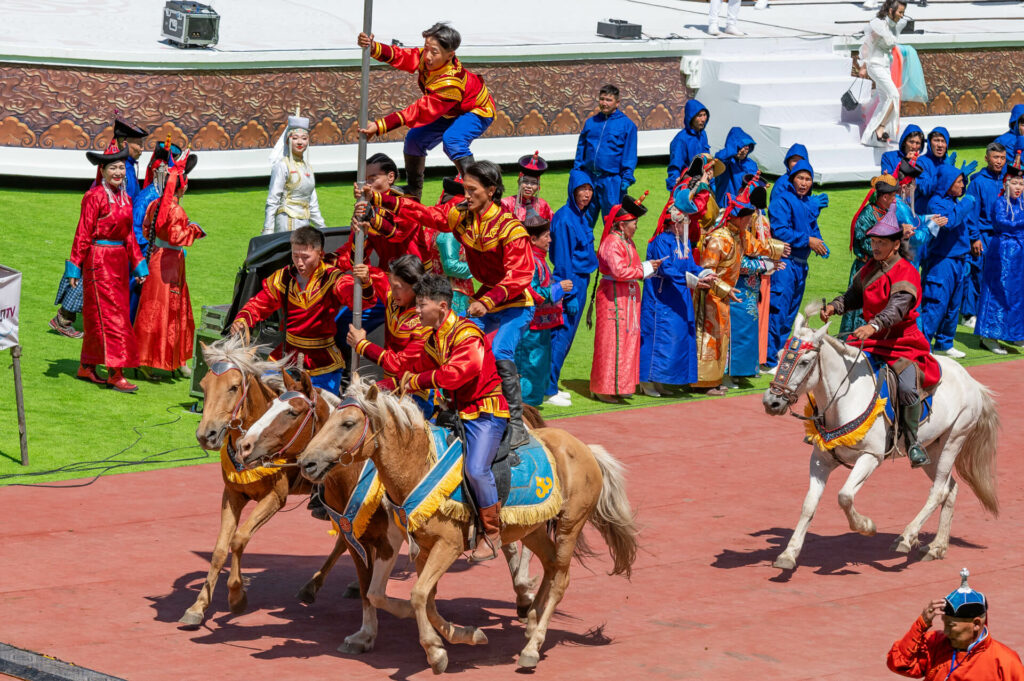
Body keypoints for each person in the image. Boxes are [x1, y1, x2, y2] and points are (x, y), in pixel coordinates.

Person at [361, 160, 534, 447]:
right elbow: (427, 214)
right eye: (465, 189)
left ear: (491, 191)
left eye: (472, 190)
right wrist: (379, 198)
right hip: (484, 298)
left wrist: (488, 300)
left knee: (500, 349)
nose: (465, 195)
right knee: (449, 342)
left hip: (514, 301)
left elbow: (521, 274)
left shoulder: (509, 228)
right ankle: (455, 408)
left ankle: (515, 424)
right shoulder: (462, 215)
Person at [399, 273, 509, 562]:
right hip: (459, 412)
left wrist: (417, 381)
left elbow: (459, 373)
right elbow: (413, 369)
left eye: (422, 304)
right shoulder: (436, 339)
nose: (417, 310)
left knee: (475, 469)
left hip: (486, 412)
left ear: (443, 306)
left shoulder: (467, 333)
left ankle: (492, 532)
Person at [821, 205, 940, 467]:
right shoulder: (869, 268)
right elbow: (854, 295)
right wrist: (834, 306)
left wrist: (873, 326)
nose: (874, 247)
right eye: (873, 241)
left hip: (902, 343)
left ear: (896, 244)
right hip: (872, 339)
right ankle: (829, 426)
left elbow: (897, 309)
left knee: (908, 388)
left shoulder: (907, 271)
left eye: (881, 242)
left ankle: (912, 442)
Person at [230, 227, 376, 395]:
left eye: (305, 257)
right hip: (286, 356)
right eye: (295, 256)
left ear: (320, 254)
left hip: (323, 361)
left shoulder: (333, 278)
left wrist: (364, 283)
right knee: (261, 396)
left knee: (321, 410)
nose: (299, 263)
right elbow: (260, 303)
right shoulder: (283, 277)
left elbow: (361, 303)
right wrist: (243, 319)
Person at [357, 23, 496, 198]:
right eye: (426, 48)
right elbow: (404, 56)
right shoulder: (428, 57)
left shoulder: (450, 83)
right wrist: (374, 47)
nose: (427, 56)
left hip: (477, 110)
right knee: (414, 139)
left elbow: (419, 111)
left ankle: (475, 189)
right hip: (448, 109)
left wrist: (380, 125)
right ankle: (414, 190)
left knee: (453, 139)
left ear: (450, 55)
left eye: (434, 52)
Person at [50, 116, 149, 339]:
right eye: (138, 144)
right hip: (100, 242)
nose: (141, 149)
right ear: (124, 143)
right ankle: (64, 319)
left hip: (113, 242)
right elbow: (84, 231)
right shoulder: (101, 189)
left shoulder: (125, 170)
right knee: (87, 283)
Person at [64, 146, 149, 393]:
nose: (119, 172)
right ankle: (116, 372)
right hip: (98, 261)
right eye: (113, 167)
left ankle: (87, 366)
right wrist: (74, 268)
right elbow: (82, 232)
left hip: (119, 263)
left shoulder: (126, 198)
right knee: (114, 318)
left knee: (97, 318)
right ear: (103, 170)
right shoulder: (94, 197)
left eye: (122, 167)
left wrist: (139, 266)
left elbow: (130, 236)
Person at [695, 180, 785, 394]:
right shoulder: (718, 240)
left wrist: (778, 248)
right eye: (747, 218)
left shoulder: (740, 235)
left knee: (722, 337)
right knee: (709, 338)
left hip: (725, 295)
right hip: (710, 296)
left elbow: (758, 246)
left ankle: (714, 381)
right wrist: (725, 289)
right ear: (738, 218)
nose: (749, 221)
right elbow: (707, 273)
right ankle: (703, 382)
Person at [638, 185, 717, 396]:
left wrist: (705, 273)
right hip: (661, 298)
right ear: (675, 221)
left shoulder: (682, 243)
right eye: (685, 220)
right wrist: (692, 280)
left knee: (675, 339)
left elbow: (690, 265)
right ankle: (646, 380)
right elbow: (667, 269)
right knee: (658, 338)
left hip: (678, 297)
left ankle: (661, 380)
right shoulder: (661, 242)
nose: (687, 224)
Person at [133, 151, 203, 377]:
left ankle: (160, 358)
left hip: (156, 256)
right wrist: (195, 230)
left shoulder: (155, 204)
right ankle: (155, 359)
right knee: (167, 311)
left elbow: (146, 228)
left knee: (152, 309)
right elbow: (177, 237)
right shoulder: (176, 209)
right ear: (182, 187)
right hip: (170, 263)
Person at [887, 569, 1024, 679]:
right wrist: (921, 624)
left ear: (976, 624)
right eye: (944, 624)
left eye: (951, 626)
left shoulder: (1005, 661)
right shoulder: (936, 642)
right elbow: (899, 664)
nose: (945, 632)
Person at [588, 194, 661, 402]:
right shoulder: (612, 243)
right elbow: (619, 272)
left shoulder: (626, 241)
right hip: (613, 299)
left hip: (625, 299)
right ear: (621, 225)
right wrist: (645, 268)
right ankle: (603, 387)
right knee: (611, 343)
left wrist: (646, 268)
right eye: (633, 222)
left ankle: (618, 385)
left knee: (625, 342)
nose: (636, 226)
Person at [348, 254, 434, 416]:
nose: (392, 292)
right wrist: (367, 275)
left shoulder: (425, 322)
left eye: (398, 287)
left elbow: (399, 364)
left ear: (416, 287)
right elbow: (380, 279)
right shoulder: (394, 298)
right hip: (389, 387)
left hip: (415, 393)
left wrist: (362, 345)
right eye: (391, 286)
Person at [766, 160, 829, 368]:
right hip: (785, 263)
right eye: (800, 178)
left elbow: (813, 227)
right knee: (778, 310)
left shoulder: (806, 203)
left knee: (791, 312)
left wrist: (820, 243)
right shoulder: (782, 201)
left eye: (808, 179)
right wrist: (808, 241)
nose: (804, 183)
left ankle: (780, 354)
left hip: (801, 265)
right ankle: (768, 357)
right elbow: (781, 230)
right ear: (791, 179)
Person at [546, 171, 599, 407]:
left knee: (567, 336)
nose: (586, 194)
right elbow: (563, 259)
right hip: (571, 280)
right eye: (582, 189)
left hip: (581, 278)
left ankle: (552, 383)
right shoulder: (565, 218)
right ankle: (548, 387)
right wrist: (570, 294)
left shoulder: (581, 216)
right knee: (561, 335)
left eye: (589, 189)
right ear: (573, 190)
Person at [731, 181, 787, 381]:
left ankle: (756, 361)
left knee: (756, 319)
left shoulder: (755, 219)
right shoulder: (754, 221)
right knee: (752, 320)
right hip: (752, 275)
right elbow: (757, 247)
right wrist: (772, 258)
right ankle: (757, 360)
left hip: (759, 272)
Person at [920, 165, 979, 359]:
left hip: (960, 260)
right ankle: (923, 344)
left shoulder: (955, 202)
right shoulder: (936, 203)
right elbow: (950, 222)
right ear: (947, 184)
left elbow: (960, 222)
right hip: (942, 262)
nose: (963, 186)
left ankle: (945, 342)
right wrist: (967, 201)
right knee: (936, 303)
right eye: (959, 182)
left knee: (954, 305)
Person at [515, 218, 570, 406]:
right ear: (532, 239)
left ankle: (531, 406)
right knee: (528, 367)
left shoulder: (539, 259)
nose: (550, 240)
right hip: (529, 326)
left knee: (539, 367)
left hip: (540, 325)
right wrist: (558, 289)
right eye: (546, 236)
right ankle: (523, 408)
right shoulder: (530, 261)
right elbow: (531, 291)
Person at [841, 174, 900, 335]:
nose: (895, 200)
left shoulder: (886, 212)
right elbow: (868, 244)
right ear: (885, 197)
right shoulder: (867, 215)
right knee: (860, 308)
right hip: (866, 270)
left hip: (881, 268)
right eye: (894, 196)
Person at [975, 162, 1024, 353]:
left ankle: (1015, 333)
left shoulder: (1022, 202)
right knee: (998, 291)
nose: (1018, 188)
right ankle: (989, 335)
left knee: (1018, 294)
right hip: (1002, 252)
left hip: (1020, 254)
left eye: (1021, 184)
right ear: (1006, 184)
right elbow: (1003, 223)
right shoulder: (1000, 203)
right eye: (1015, 183)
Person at [573, 84, 638, 220]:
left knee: (612, 221)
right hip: (589, 178)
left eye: (608, 100)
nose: (604, 103)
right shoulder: (591, 122)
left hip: (612, 181)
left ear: (617, 103)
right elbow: (581, 149)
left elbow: (629, 155)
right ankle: (584, 242)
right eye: (602, 99)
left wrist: (626, 178)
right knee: (583, 220)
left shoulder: (627, 125)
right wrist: (577, 172)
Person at [962, 143, 1007, 332]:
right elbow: (971, 213)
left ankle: (991, 310)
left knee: (1000, 274)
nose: (999, 161)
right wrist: (974, 237)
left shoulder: (1008, 180)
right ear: (987, 158)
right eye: (995, 157)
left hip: (1003, 235)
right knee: (978, 273)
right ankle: (969, 314)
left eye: (1002, 158)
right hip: (984, 235)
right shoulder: (978, 182)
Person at [264, 112, 325, 235]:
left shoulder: (308, 168)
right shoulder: (282, 166)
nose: (299, 142)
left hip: (305, 221)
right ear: (287, 141)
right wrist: (268, 231)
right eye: (295, 138)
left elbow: (312, 202)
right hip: (287, 219)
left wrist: (322, 226)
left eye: (304, 138)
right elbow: (272, 200)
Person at [859, 0, 909, 147]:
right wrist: (862, 66)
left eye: (903, 12)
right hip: (875, 64)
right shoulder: (879, 24)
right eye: (900, 12)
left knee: (885, 99)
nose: (902, 15)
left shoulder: (896, 25)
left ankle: (869, 137)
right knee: (894, 95)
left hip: (885, 65)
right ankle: (880, 128)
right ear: (890, 10)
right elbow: (867, 45)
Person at [428, 178, 476, 316]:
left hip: (438, 287)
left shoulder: (438, 222)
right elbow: (450, 266)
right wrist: (479, 269)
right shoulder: (450, 228)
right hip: (453, 292)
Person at [665, 99, 710, 192]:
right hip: (688, 187)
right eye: (699, 115)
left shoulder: (703, 135)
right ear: (691, 117)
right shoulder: (681, 140)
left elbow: (707, 160)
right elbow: (675, 167)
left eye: (704, 115)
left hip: (704, 183)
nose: (703, 119)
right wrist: (675, 190)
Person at [501, 152, 553, 223]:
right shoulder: (506, 204)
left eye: (533, 183)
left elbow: (553, 225)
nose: (529, 186)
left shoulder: (543, 204)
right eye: (525, 181)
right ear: (519, 182)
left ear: (538, 186)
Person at [714, 127, 757, 209]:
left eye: (746, 147)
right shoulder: (725, 162)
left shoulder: (751, 164)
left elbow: (755, 188)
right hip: (724, 207)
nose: (743, 151)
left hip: (744, 209)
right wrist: (734, 150)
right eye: (740, 147)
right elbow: (719, 158)